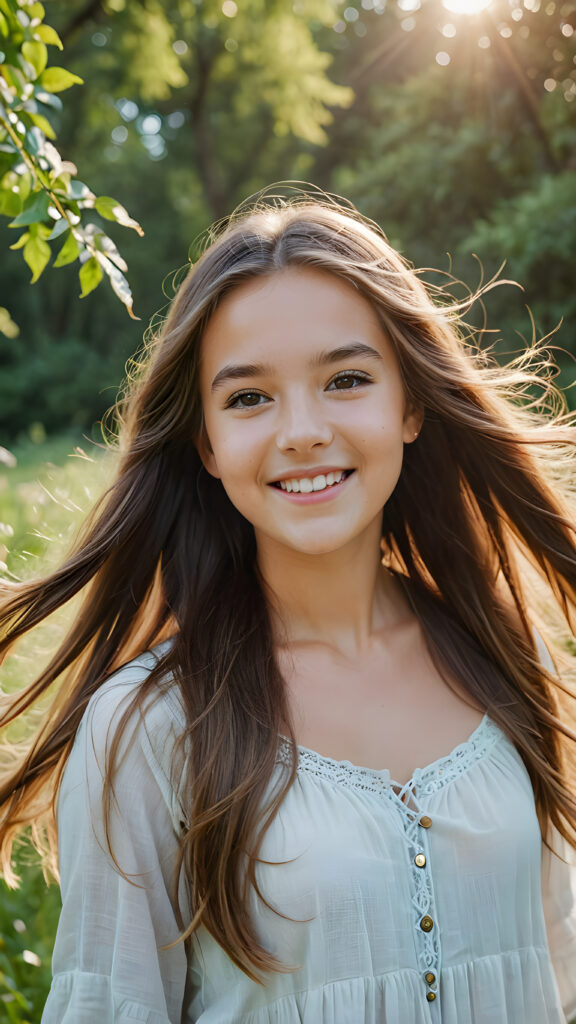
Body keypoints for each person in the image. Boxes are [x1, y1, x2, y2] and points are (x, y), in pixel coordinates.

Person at [1, 189, 576, 1024]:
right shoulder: (149, 727)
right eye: (248, 397)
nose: (302, 431)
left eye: (347, 380)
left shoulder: (508, 659)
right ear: (206, 443)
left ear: (411, 404)